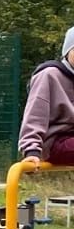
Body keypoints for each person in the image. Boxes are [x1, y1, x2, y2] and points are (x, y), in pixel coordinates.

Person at [17, 27, 74, 168]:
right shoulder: (49, 75)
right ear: (67, 52)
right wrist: (31, 150)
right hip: (56, 141)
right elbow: (35, 114)